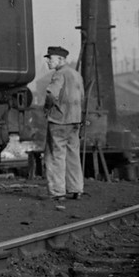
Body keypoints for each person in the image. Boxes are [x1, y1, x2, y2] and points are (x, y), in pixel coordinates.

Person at [42, 45, 85, 205]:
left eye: (50, 58)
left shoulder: (59, 75)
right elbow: (82, 97)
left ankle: (57, 192)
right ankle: (76, 188)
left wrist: (47, 108)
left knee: (55, 156)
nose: (47, 61)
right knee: (73, 154)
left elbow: (51, 94)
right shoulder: (76, 74)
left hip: (59, 120)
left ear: (61, 59)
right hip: (75, 120)